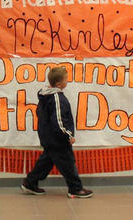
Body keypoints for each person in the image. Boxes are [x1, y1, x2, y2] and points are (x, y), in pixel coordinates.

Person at [21, 66, 93, 198]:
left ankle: (30, 183)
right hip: (57, 139)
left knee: (46, 161)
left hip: (49, 137)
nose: (67, 81)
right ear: (59, 83)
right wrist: (68, 135)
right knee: (68, 163)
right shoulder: (56, 98)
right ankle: (75, 189)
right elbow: (59, 121)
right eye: (66, 79)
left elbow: (40, 114)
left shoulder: (45, 96)